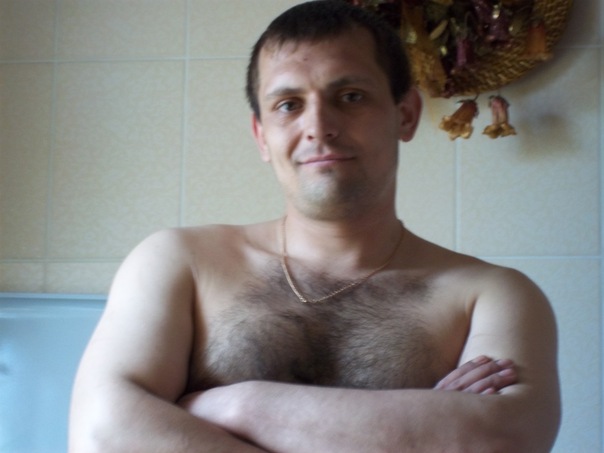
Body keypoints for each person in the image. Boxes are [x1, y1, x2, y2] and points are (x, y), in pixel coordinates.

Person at [69, 1, 560, 452]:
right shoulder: (181, 263)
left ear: (406, 115)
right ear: (261, 135)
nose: (319, 125)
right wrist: (425, 427)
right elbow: (102, 435)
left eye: (350, 96)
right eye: (288, 104)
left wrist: (237, 406)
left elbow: (501, 439)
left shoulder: (490, 295)